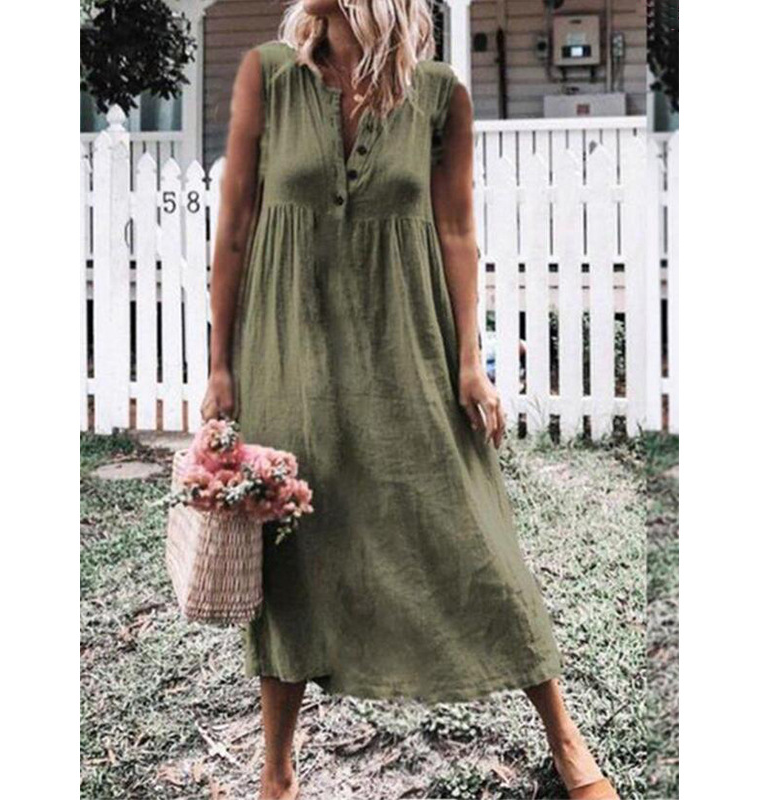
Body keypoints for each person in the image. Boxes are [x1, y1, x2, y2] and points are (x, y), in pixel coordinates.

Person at [201, 2, 619, 799]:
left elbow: (457, 232)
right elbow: (237, 228)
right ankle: (277, 773)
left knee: (471, 530)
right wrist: (220, 366)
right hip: (288, 347)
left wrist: (469, 361)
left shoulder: (437, 94)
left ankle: (565, 740)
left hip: (408, 344)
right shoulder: (268, 76)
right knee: (292, 553)